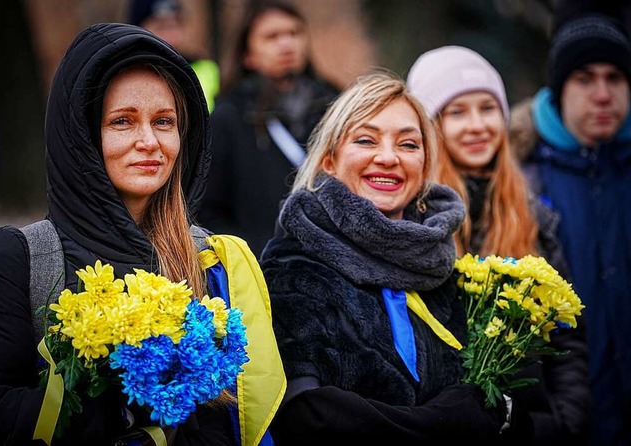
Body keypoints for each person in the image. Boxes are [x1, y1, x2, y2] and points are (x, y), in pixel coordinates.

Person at [0, 23, 285, 445]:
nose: (149, 141)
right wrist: (122, 402)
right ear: (82, 136)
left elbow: (245, 416)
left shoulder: (215, 261)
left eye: (164, 121)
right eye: (123, 121)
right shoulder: (20, 261)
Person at [259, 70, 532, 445]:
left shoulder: (443, 271)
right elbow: (305, 414)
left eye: (408, 145)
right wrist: (451, 420)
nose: (388, 158)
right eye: (366, 140)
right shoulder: (293, 264)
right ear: (329, 160)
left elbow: (506, 408)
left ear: (424, 167)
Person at [407, 45, 592, 445]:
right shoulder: (415, 221)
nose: (477, 125)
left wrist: (562, 421)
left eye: (487, 108)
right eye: (457, 112)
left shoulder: (534, 215)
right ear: (430, 127)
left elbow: (567, 337)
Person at [508, 12, 631, 446]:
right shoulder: (520, 177)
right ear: (560, 89)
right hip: (572, 421)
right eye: (584, 78)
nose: (602, 95)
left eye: (615, 77)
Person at [195, 0, 340, 255]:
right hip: (263, 267)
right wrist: (258, 254)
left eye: (294, 33)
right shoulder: (227, 118)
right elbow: (207, 210)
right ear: (248, 55)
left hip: (335, 262)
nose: (286, 44)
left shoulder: (338, 107)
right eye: (271, 37)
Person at [128, 0, 220, 112]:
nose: (170, 36)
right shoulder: (122, 71)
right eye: (161, 28)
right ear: (137, 30)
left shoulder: (203, 67)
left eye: (174, 26)